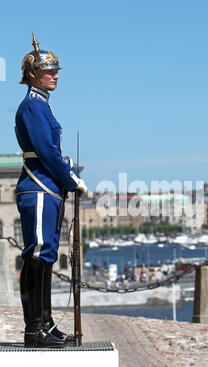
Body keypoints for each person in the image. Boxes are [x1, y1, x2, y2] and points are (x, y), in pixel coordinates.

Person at [15, 34, 88, 348]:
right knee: (37, 255)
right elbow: (46, 150)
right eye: (49, 71)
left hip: (48, 187)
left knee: (44, 256)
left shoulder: (41, 105)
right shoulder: (33, 106)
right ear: (33, 74)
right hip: (39, 185)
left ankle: (45, 324)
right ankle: (34, 330)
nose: (55, 75)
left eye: (56, 70)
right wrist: (71, 178)